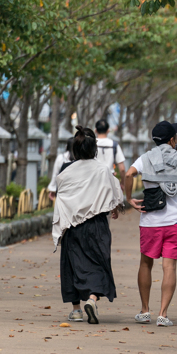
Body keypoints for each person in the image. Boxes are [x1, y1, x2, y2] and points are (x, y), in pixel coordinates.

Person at [124, 121, 177, 327]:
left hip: (150, 223)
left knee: (146, 264)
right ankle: (163, 314)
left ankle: (145, 311)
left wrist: (129, 198)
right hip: (174, 223)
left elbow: (128, 174)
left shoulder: (145, 158)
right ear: (172, 140)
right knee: (169, 267)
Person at [51, 127, 123, 325]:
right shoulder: (102, 169)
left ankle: (76, 310)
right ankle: (92, 299)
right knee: (98, 263)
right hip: (97, 225)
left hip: (72, 226)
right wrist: (114, 209)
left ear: (75, 149)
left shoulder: (66, 169)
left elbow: (62, 196)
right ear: (94, 150)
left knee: (72, 265)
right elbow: (114, 192)